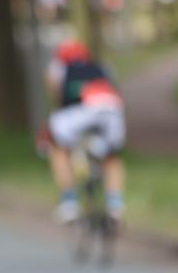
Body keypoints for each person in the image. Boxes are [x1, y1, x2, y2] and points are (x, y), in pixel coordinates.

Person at [41, 39, 126, 224]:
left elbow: (54, 90)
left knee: (59, 149)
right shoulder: (100, 65)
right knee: (112, 157)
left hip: (77, 112)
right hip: (110, 110)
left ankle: (70, 203)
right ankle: (115, 206)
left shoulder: (59, 66)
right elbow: (114, 86)